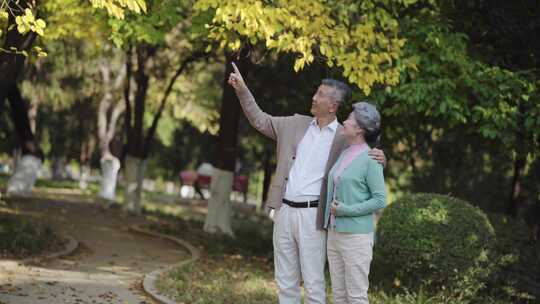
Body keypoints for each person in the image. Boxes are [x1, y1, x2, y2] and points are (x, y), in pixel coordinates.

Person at [228, 63, 386, 304]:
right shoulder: (294, 124)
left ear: (333, 106)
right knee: (285, 281)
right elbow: (260, 120)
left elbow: (364, 156)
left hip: (314, 217)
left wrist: (381, 157)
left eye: (320, 95)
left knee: (313, 283)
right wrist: (242, 89)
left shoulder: (343, 137)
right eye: (316, 92)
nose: (313, 97)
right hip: (284, 211)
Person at [324, 102, 387, 304]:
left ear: (359, 128)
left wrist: (345, 210)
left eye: (349, 119)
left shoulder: (371, 158)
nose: (345, 120)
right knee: (340, 296)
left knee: (356, 297)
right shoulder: (345, 152)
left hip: (357, 238)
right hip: (334, 235)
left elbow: (380, 200)